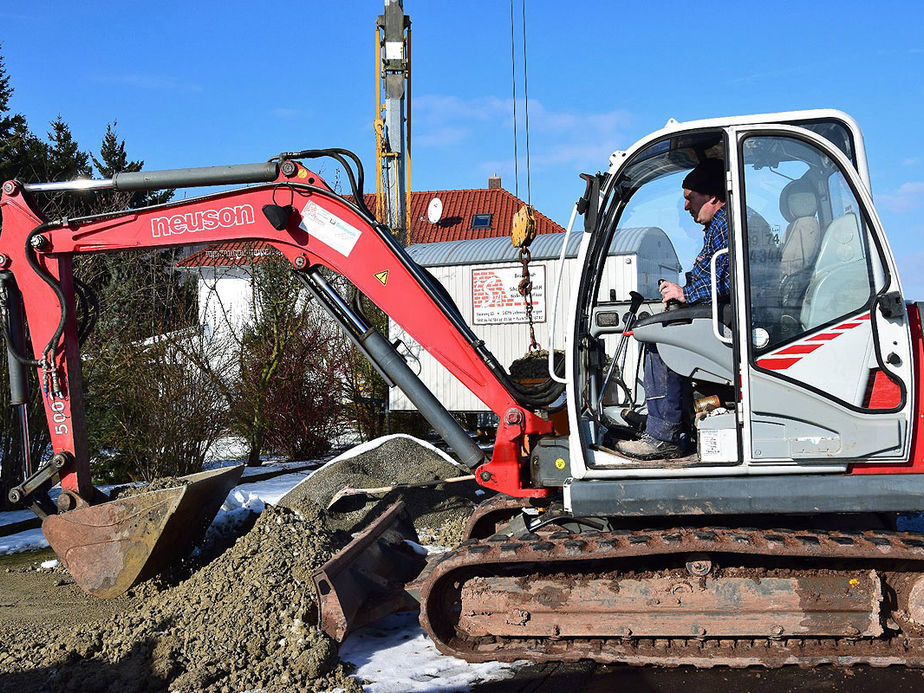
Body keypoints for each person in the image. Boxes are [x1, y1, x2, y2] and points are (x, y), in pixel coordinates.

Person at [616, 158, 729, 460]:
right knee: (661, 326)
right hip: (722, 313)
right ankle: (669, 420)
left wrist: (685, 292)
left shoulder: (725, 226)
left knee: (660, 338)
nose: (686, 207)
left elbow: (732, 280)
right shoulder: (719, 226)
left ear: (713, 197)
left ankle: (664, 433)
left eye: (690, 199)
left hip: (727, 319)